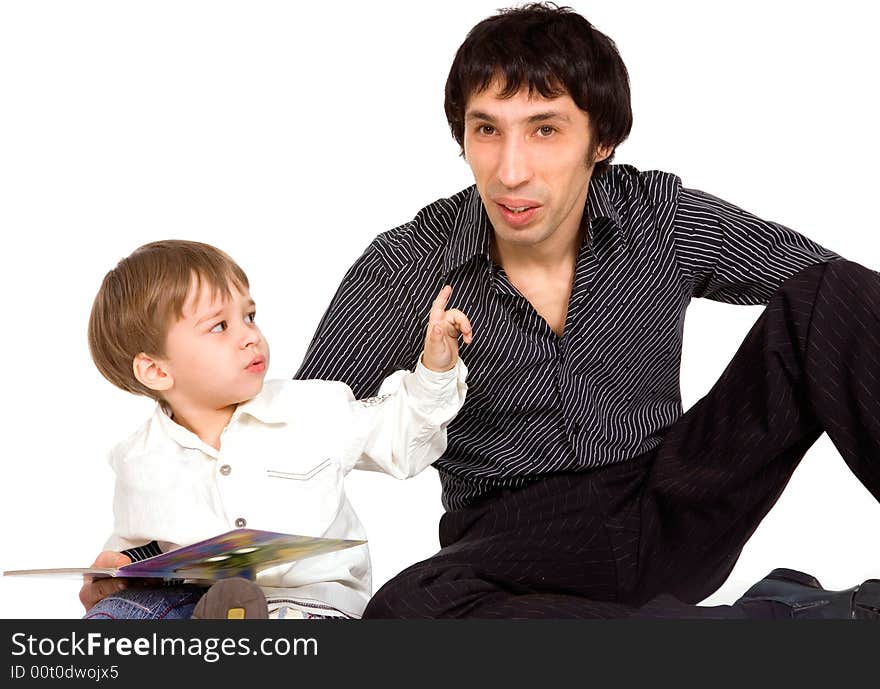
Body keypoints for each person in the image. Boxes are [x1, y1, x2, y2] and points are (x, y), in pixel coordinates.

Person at [292, 3, 880, 618]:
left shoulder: (658, 216)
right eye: (487, 130)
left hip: (673, 502)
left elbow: (847, 317)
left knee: (831, 291)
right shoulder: (408, 263)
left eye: (545, 130)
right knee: (404, 613)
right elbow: (294, 435)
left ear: (601, 141)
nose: (510, 171)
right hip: (517, 546)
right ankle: (776, 623)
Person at [78, 239, 470, 619]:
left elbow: (402, 438)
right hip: (196, 603)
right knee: (122, 615)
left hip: (312, 604)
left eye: (249, 316)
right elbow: (135, 549)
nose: (250, 336)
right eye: (220, 326)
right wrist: (110, 579)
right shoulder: (139, 459)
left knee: (286, 622)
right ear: (157, 370)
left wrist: (436, 370)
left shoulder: (311, 408)